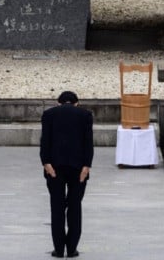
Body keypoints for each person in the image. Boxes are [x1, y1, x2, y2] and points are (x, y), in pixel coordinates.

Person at [40, 91, 94, 258]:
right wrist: (87, 165)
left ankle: (58, 249)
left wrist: (46, 162)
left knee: (57, 208)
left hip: (54, 167)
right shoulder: (85, 115)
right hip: (78, 168)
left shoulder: (49, 114)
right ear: (77, 103)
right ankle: (71, 248)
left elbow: (45, 140)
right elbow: (88, 142)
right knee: (74, 206)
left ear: (58, 102)